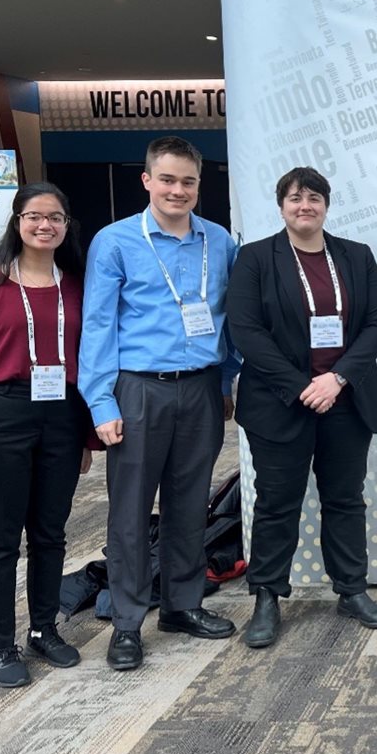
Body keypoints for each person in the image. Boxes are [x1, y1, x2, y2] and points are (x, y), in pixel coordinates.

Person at [79, 136, 239, 671]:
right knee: (129, 510)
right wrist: (101, 402)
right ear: (147, 180)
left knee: (190, 503)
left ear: (199, 184)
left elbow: (228, 317)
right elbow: (98, 325)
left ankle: (182, 605)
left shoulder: (219, 242)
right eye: (167, 179)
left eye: (187, 181)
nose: (177, 190)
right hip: (138, 387)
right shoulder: (116, 241)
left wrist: (228, 379)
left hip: (201, 387)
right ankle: (127, 622)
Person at [227, 167, 377, 647]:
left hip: (345, 398)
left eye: (314, 197)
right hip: (282, 402)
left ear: (326, 205)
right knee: (278, 503)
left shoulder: (355, 257)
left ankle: (351, 589)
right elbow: (246, 331)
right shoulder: (256, 259)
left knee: (345, 499)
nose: (305, 205)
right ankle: (266, 597)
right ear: (281, 206)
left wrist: (337, 378)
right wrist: (304, 387)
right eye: (295, 197)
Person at [0, 183, 97, 688]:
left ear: (66, 226)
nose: (44, 225)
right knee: (1, 539)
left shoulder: (74, 282)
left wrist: (85, 436)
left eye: (55, 217)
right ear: (16, 221)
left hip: (61, 415)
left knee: (51, 533)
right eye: (34, 216)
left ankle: (43, 629)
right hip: (2, 412)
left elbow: (90, 357)